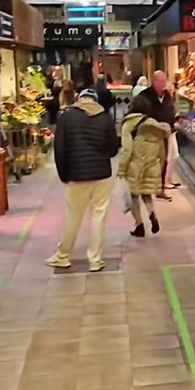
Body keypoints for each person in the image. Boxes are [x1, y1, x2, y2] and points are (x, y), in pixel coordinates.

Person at [46, 88, 119, 272]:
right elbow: (113, 149)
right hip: (101, 174)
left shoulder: (66, 118)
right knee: (99, 216)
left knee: (73, 216)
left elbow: (60, 149)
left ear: (79, 100)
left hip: (77, 175)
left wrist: (64, 174)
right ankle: (95, 259)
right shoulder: (105, 118)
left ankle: (63, 256)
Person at [118, 95, 170, 237]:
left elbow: (127, 149)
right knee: (147, 194)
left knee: (134, 196)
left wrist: (122, 168)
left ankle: (139, 225)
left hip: (136, 165)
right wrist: (161, 165)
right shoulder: (154, 125)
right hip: (152, 165)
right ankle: (152, 213)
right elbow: (162, 151)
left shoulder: (128, 125)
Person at [139, 70, 175, 201]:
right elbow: (140, 115)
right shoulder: (145, 96)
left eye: (165, 81)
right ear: (154, 82)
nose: (163, 84)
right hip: (150, 134)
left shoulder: (167, 95)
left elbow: (170, 111)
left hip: (164, 134)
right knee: (149, 161)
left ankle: (160, 189)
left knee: (163, 161)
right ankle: (147, 189)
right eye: (161, 81)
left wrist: (172, 125)